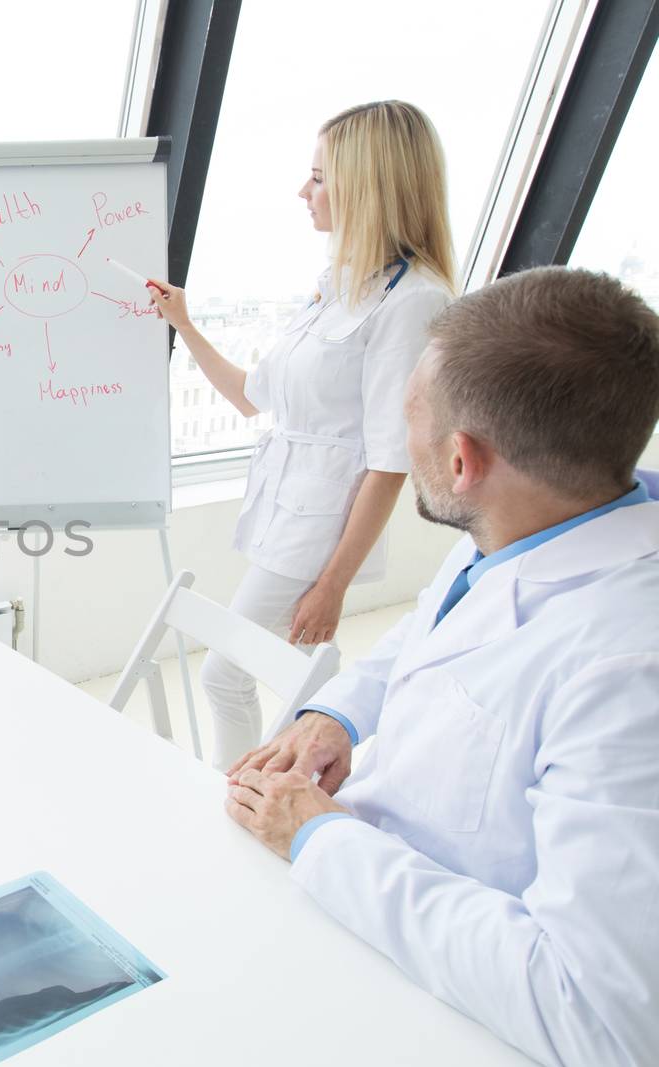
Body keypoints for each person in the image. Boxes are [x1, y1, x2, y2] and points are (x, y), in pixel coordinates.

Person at [224, 267, 659, 1066]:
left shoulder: (631, 673)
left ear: (461, 461)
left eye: (407, 420)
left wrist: (321, 840)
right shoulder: (547, 512)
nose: (398, 438)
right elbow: (425, 635)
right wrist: (342, 713)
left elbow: (600, 1019)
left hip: (440, 1010)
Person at [146, 101, 456, 767]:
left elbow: (389, 461)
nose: (302, 192)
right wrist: (185, 323)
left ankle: (233, 798)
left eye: (318, 177)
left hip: (320, 529)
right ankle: (301, 777)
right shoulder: (338, 286)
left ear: (368, 185)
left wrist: (334, 583)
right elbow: (252, 396)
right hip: (285, 510)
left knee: (222, 672)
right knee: (302, 677)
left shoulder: (414, 300)